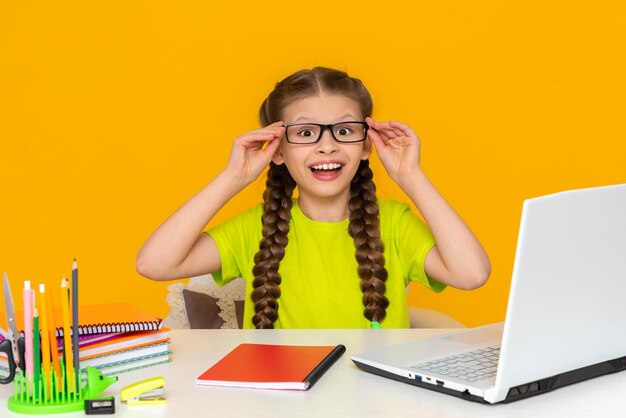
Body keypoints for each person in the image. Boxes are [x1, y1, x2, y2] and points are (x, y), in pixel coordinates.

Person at [136, 67, 491, 329]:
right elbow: (154, 265)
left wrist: (411, 177)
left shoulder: (394, 224)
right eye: (305, 132)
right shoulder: (254, 229)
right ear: (277, 149)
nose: (327, 145)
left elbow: (472, 273)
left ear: (367, 144)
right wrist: (234, 178)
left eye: (344, 130)